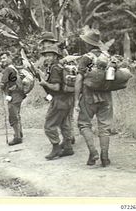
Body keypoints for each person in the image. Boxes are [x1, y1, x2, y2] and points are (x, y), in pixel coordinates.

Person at [74, 28, 113, 167]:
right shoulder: (107, 57)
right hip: (106, 95)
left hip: (88, 96)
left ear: (87, 44)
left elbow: (79, 79)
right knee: (104, 126)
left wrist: (76, 100)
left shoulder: (86, 58)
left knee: (84, 124)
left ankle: (93, 152)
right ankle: (105, 158)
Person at [37, 44, 75, 160]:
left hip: (59, 100)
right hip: (68, 99)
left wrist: (45, 84)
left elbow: (56, 87)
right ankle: (68, 147)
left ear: (55, 56)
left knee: (49, 125)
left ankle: (56, 147)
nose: (48, 58)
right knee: (65, 123)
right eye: (46, 55)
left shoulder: (54, 68)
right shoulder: (61, 66)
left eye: (50, 55)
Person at [0, 51, 26, 146]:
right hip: (19, 94)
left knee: (13, 116)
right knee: (17, 114)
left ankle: (17, 137)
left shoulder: (8, 70)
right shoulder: (14, 68)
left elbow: (3, 84)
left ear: (10, 57)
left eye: (4, 58)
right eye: (1, 58)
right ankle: (19, 133)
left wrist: (1, 86)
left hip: (12, 95)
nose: (2, 60)